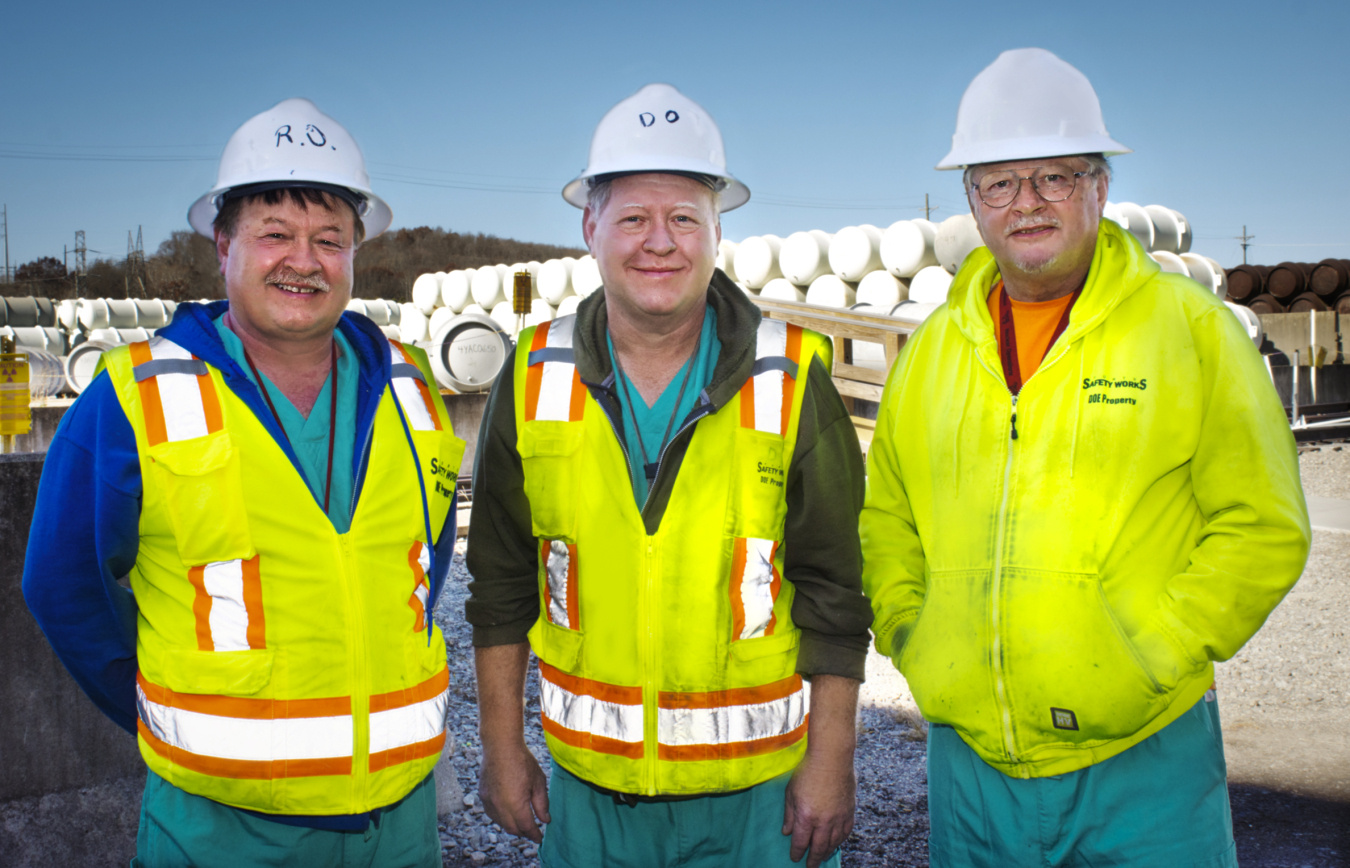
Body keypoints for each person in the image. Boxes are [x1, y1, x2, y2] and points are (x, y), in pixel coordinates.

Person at [860, 48, 1311, 866]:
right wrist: (909, 628)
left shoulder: (1189, 331)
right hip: (971, 770)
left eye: (1055, 178)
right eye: (999, 182)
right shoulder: (931, 353)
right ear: (972, 199)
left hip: (1142, 766)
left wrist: (1152, 652)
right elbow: (887, 514)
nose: (1026, 203)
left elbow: (1263, 526)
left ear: (1099, 189)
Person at [23, 98, 464, 867]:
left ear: (356, 252)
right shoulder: (135, 396)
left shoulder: (413, 391)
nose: (305, 260)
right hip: (221, 833)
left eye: (330, 239)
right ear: (222, 245)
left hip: (402, 830)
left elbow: (424, 566)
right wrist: (169, 709)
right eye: (275, 236)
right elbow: (63, 587)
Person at [465, 83, 872, 868]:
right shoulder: (532, 375)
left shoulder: (789, 377)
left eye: (684, 217)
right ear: (590, 227)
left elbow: (835, 586)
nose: (660, 242)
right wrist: (502, 750)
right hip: (589, 801)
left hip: (756, 807)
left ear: (718, 230)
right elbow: (500, 583)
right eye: (633, 218)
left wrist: (831, 762)